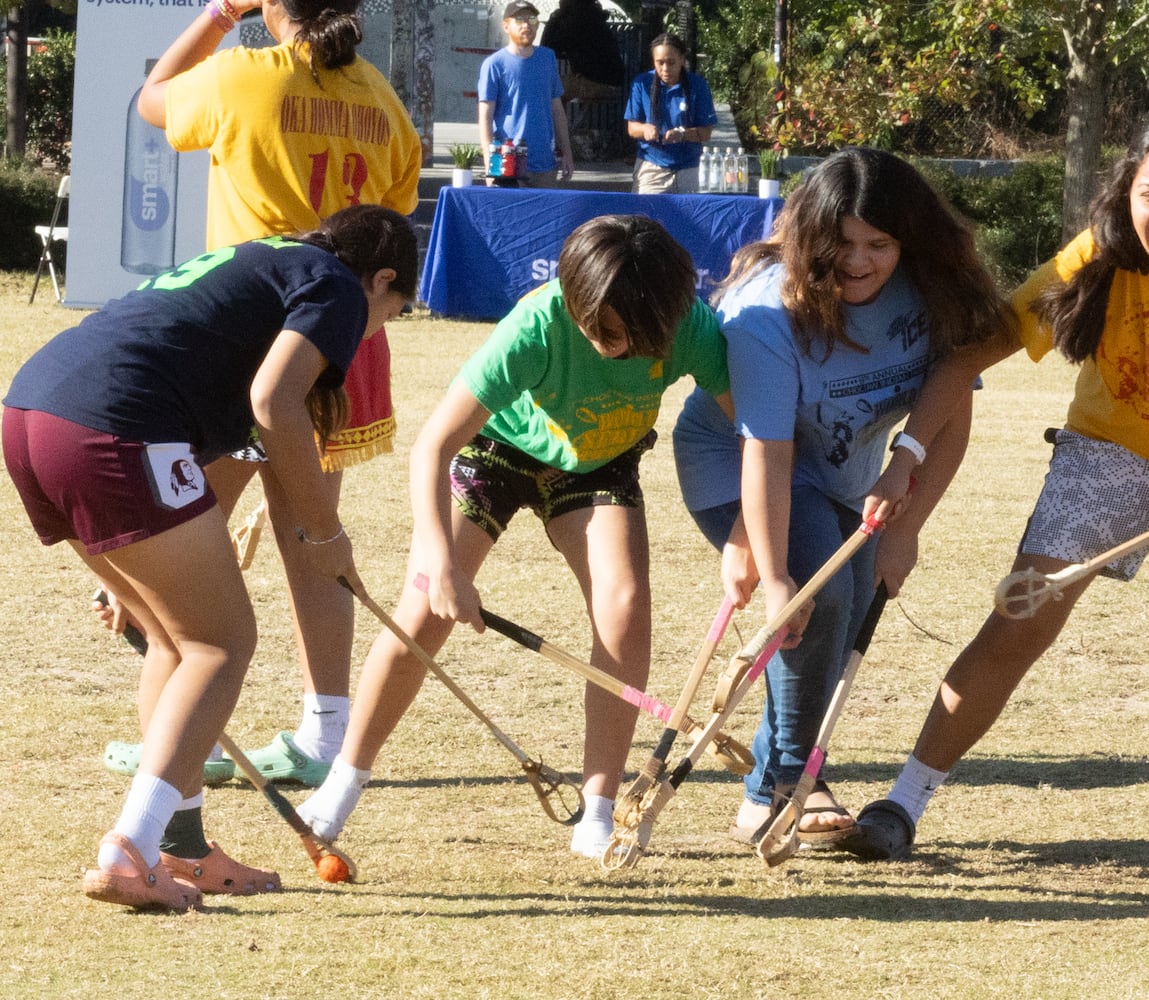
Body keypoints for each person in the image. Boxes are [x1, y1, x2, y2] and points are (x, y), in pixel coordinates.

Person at [843, 113, 1149, 892]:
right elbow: (968, 356)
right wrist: (907, 455)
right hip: (1109, 442)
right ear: (1130, 193)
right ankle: (902, 803)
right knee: (1024, 615)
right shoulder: (1094, 258)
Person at [3, 205, 417, 911]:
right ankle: (129, 850)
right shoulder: (337, 287)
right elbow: (272, 403)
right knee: (221, 645)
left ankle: (183, 848)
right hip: (111, 427)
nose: (375, 330)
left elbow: (226, 441)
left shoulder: (264, 266)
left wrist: (134, 567)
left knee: (171, 638)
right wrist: (325, 532)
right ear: (381, 279)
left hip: (31, 415)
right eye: (395, 311)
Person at [295, 215, 732, 859]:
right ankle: (343, 783)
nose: (625, 350)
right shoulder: (535, 324)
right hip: (496, 452)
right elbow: (434, 445)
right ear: (574, 300)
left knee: (625, 605)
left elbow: (751, 428)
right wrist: (440, 563)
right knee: (421, 613)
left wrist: (754, 535)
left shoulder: (689, 323)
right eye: (608, 333)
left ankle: (599, 811)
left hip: (599, 461)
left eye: (644, 339)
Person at [95, 0, 424, 791]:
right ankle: (325, 731)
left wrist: (216, 15)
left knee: (184, 541)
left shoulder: (243, 73)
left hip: (246, 341)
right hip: (340, 337)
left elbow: (150, 100)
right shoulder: (381, 97)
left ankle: (184, 729)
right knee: (313, 537)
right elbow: (394, 218)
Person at [671, 148, 1019, 848]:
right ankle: (792, 783)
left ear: (907, 240)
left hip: (844, 474)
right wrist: (771, 579)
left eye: (878, 245)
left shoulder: (928, 288)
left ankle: (762, 792)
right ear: (809, 236)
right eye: (839, 243)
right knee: (810, 598)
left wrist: (909, 526)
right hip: (739, 465)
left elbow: (949, 406)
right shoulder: (765, 313)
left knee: (847, 603)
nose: (857, 262)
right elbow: (767, 450)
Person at [478, 0, 576, 187]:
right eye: (520, 19)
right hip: (508, 163)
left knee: (545, 215)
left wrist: (567, 153)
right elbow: (485, 116)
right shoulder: (494, 64)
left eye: (531, 19)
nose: (526, 25)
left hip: (544, 162)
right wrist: (489, 162)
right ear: (506, 26)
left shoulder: (547, 58)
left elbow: (557, 108)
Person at [623, 33, 717, 194]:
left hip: (690, 166)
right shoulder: (641, 83)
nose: (665, 69)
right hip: (652, 165)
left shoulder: (698, 85)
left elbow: (706, 133)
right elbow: (632, 128)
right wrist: (645, 129)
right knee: (644, 216)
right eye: (660, 63)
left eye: (671, 63)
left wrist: (683, 134)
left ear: (682, 59)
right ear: (653, 61)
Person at [541, 0, 625, 102]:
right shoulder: (594, 17)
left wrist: (554, 19)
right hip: (612, 81)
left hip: (593, 81)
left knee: (546, 89)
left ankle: (552, 118)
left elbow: (547, 46)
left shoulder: (574, 20)